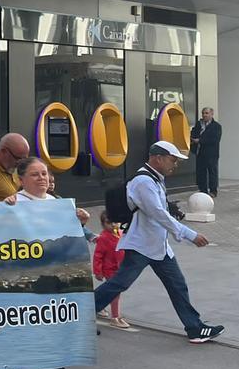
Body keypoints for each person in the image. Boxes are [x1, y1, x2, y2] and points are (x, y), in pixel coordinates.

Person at [93, 141, 224, 344]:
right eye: (173, 160)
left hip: (158, 246)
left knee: (177, 286)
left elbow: (160, 211)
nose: (175, 165)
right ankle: (79, 316)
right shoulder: (144, 181)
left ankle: (195, 328)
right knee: (119, 283)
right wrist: (189, 234)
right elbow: (158, 214)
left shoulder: (155, 179)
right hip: (141, 245)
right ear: (157, 158)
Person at [0, 157, 96, 369]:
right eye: (35, 174)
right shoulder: (13, 204)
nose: (42, 178)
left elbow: (66, 239)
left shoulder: (56, 203)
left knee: (24, 329)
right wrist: (4, 208)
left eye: (44, 173)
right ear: (21, 180)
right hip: (24, 282)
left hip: (54, 280)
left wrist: (80, 222)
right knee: (46, 334)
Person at [93, 211, 131, 329]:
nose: (114, 225)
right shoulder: (104, 238)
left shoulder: (120, 233)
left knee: (109, 290)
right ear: (103, 224)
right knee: (115, 293)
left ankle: (98, 305)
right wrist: (97, 271)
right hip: (110, 269)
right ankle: (115, 317)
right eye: (109, 223)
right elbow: (97, 255)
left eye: (116, 221)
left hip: (120, 268)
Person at [190, 107, 221, 197]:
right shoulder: (199, 124)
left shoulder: (216, 126)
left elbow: (214, 139)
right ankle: (203, 190)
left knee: (212, 172)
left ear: (212, 114)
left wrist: (199, 140)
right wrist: (192, 139)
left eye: (207, 113)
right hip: (200, 152)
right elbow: (193, 132)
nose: (204, 115)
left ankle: (213, 191)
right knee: (201, 172)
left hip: (211, 153)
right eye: (203, 113)